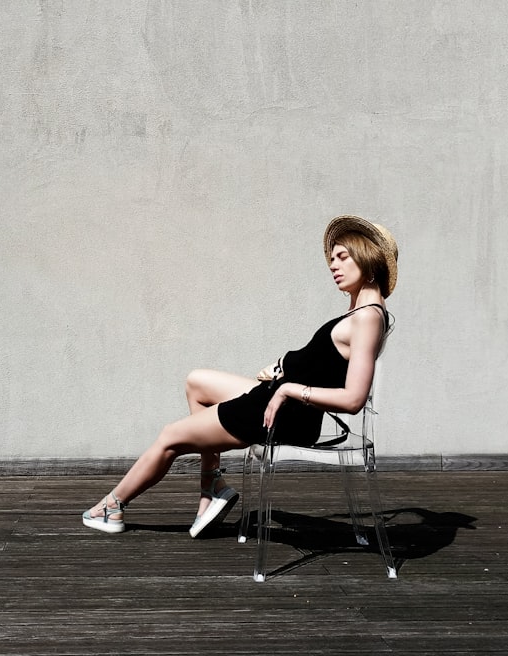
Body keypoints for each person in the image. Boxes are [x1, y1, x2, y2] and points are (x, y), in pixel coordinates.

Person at [82, 215, 398, 537]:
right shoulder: (362, 312)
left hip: (285, 414)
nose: (333, 266)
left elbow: (354, 399)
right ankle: (212, 486)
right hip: (278, 399)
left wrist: (289, 388)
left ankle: (112, 507)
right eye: (331, 259)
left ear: (368, 257)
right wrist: (284, 367)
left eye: (342, 257)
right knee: (196, 382)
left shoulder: (367, 318)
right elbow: (323, 363)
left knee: (169, 438)